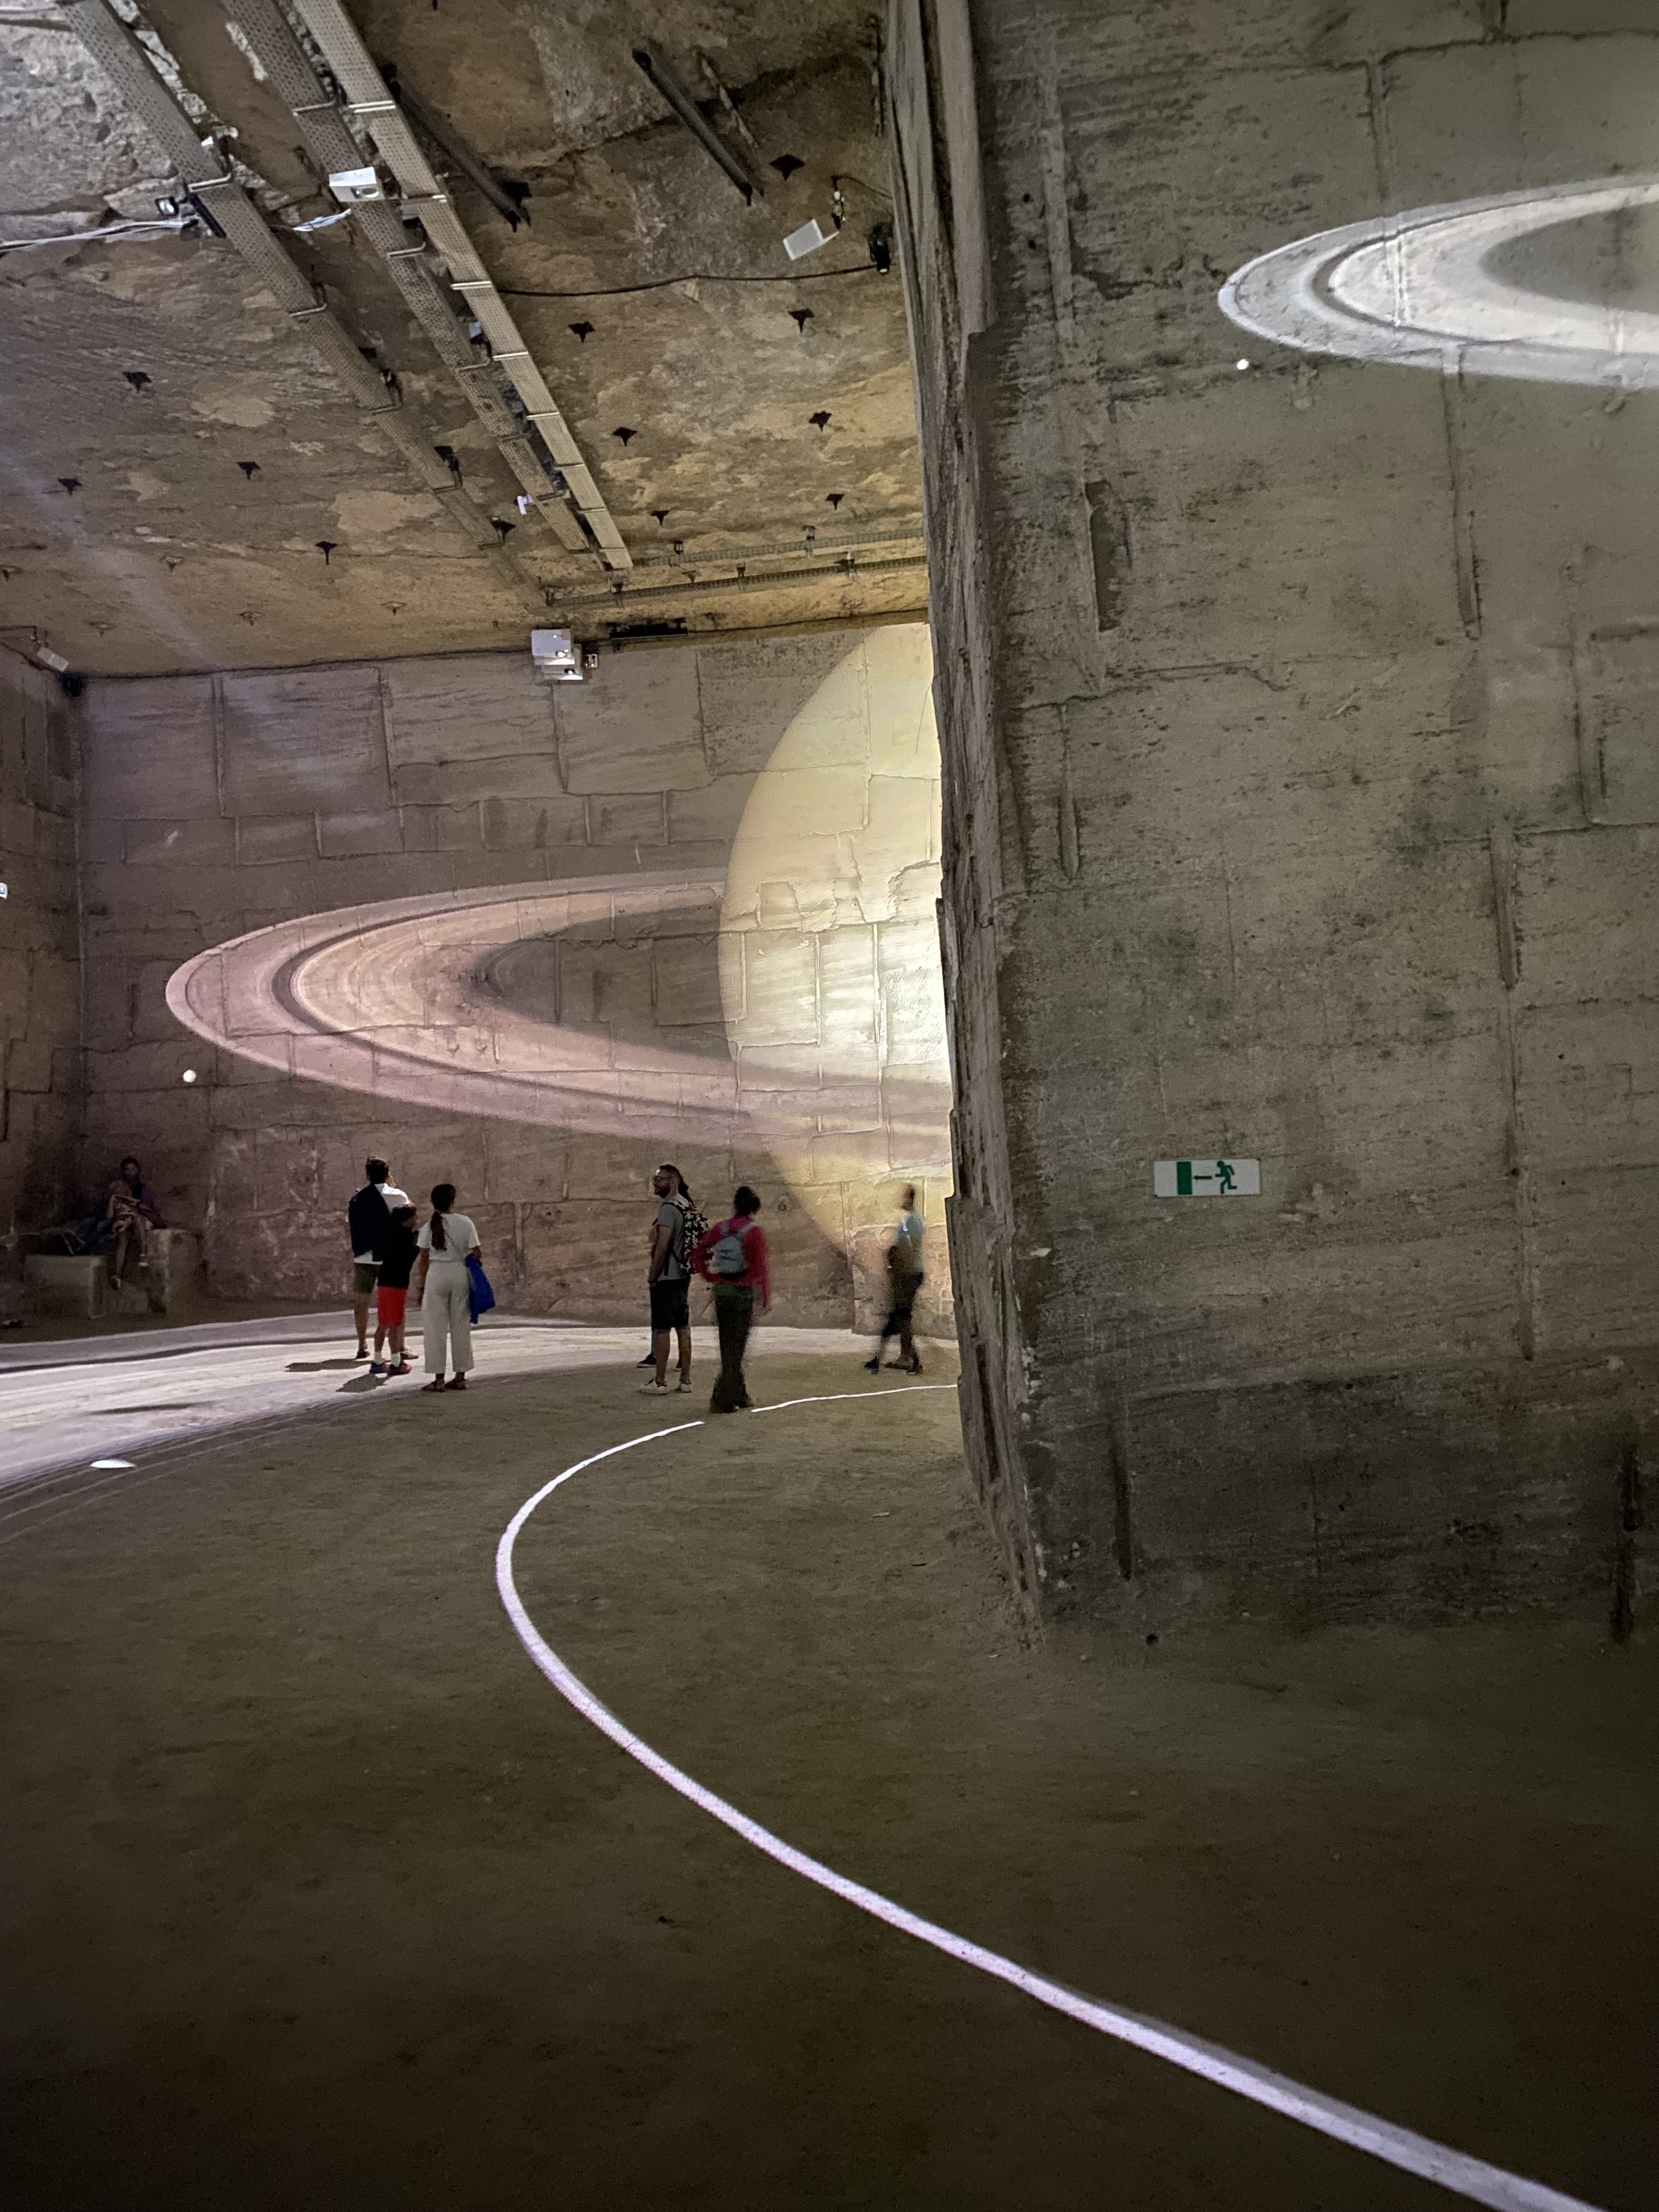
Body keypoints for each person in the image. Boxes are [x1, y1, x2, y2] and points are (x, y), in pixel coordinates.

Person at [690, 1186, 770, 1414]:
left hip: (722, 1292)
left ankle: (740, 1394)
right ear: (754, 1208)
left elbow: (698, 1252)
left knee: (728, 1346)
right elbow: (761, 1268)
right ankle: (721, 1399)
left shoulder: (721, 1229)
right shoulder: (754, 1232)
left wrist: (710, 1276)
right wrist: (764, 1296)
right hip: (743, 1294)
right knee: (737, 1349)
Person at [414, 1181, 480, 1392]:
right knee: (461, 1325)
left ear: (433, 1203)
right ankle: (460, 1377)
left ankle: (439, 1379)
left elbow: (424, 1259)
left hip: (436, 1275)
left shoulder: (428, 1227)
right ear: (453, 1201)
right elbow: (477, 1253)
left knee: (435, 1328)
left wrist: (422, 1286)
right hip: (459, 1273)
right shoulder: (466, 1223)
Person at [642, 1163, 696, 1397]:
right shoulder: (686, 1205)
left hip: (667, 1277)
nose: (655, 1183)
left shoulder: (667, 1209)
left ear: (673, 1181)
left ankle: (660, 1381)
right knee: (683, 1327)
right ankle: (685, 1380)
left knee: (663, 1329)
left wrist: (653, 1275)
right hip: (683, 1276)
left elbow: (662, 1247)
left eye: (659, 1179)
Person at [347, 1158, 409, 1358]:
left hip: (363, 1257)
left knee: (361, 1303)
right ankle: (400, 1347)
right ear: (387, 1173)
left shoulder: (357, 1199)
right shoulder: (398, 1196)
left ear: (367, 1175)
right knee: (395, 1303)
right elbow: (408, 1221)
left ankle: (362, 1345)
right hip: (389, 1257)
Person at [865, 1184, 926, 1376]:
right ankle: (904, 1357)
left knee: (900, 1317)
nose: (901, 1201)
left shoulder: (912, 1223)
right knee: (900, 1317)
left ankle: (911, 1361)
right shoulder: (910, 1222)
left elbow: (908, 1249)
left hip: (908, 1275)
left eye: (904, 1197)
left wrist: (895, 1262)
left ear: (910, 1199)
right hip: (907, 1274)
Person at [369, 1204, 418, 1379]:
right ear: (406, 1220)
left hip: (384, 1282)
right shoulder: (408, 1237)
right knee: (396, 1325)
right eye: (413, 1216)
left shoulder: (388, 1234)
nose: (416, 1219)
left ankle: (377, 1360)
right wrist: (417, 1245)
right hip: (398, 1284)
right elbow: (409, 1258)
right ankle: (396, 1362)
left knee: (383, 1322)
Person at [104, 1156, 161, 1288]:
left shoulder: (142, 1189)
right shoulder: (118, 1190)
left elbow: (146, 1208)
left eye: (132, 1169)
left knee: (137, 1219)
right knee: (122, 1239)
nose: (129, 1172)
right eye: (127, 1170)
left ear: (137, 1170)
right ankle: (117, 1275)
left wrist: (134, 1206)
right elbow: (111, 1215)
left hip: (140, 1220)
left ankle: (143, 1254)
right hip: (125, 1221)